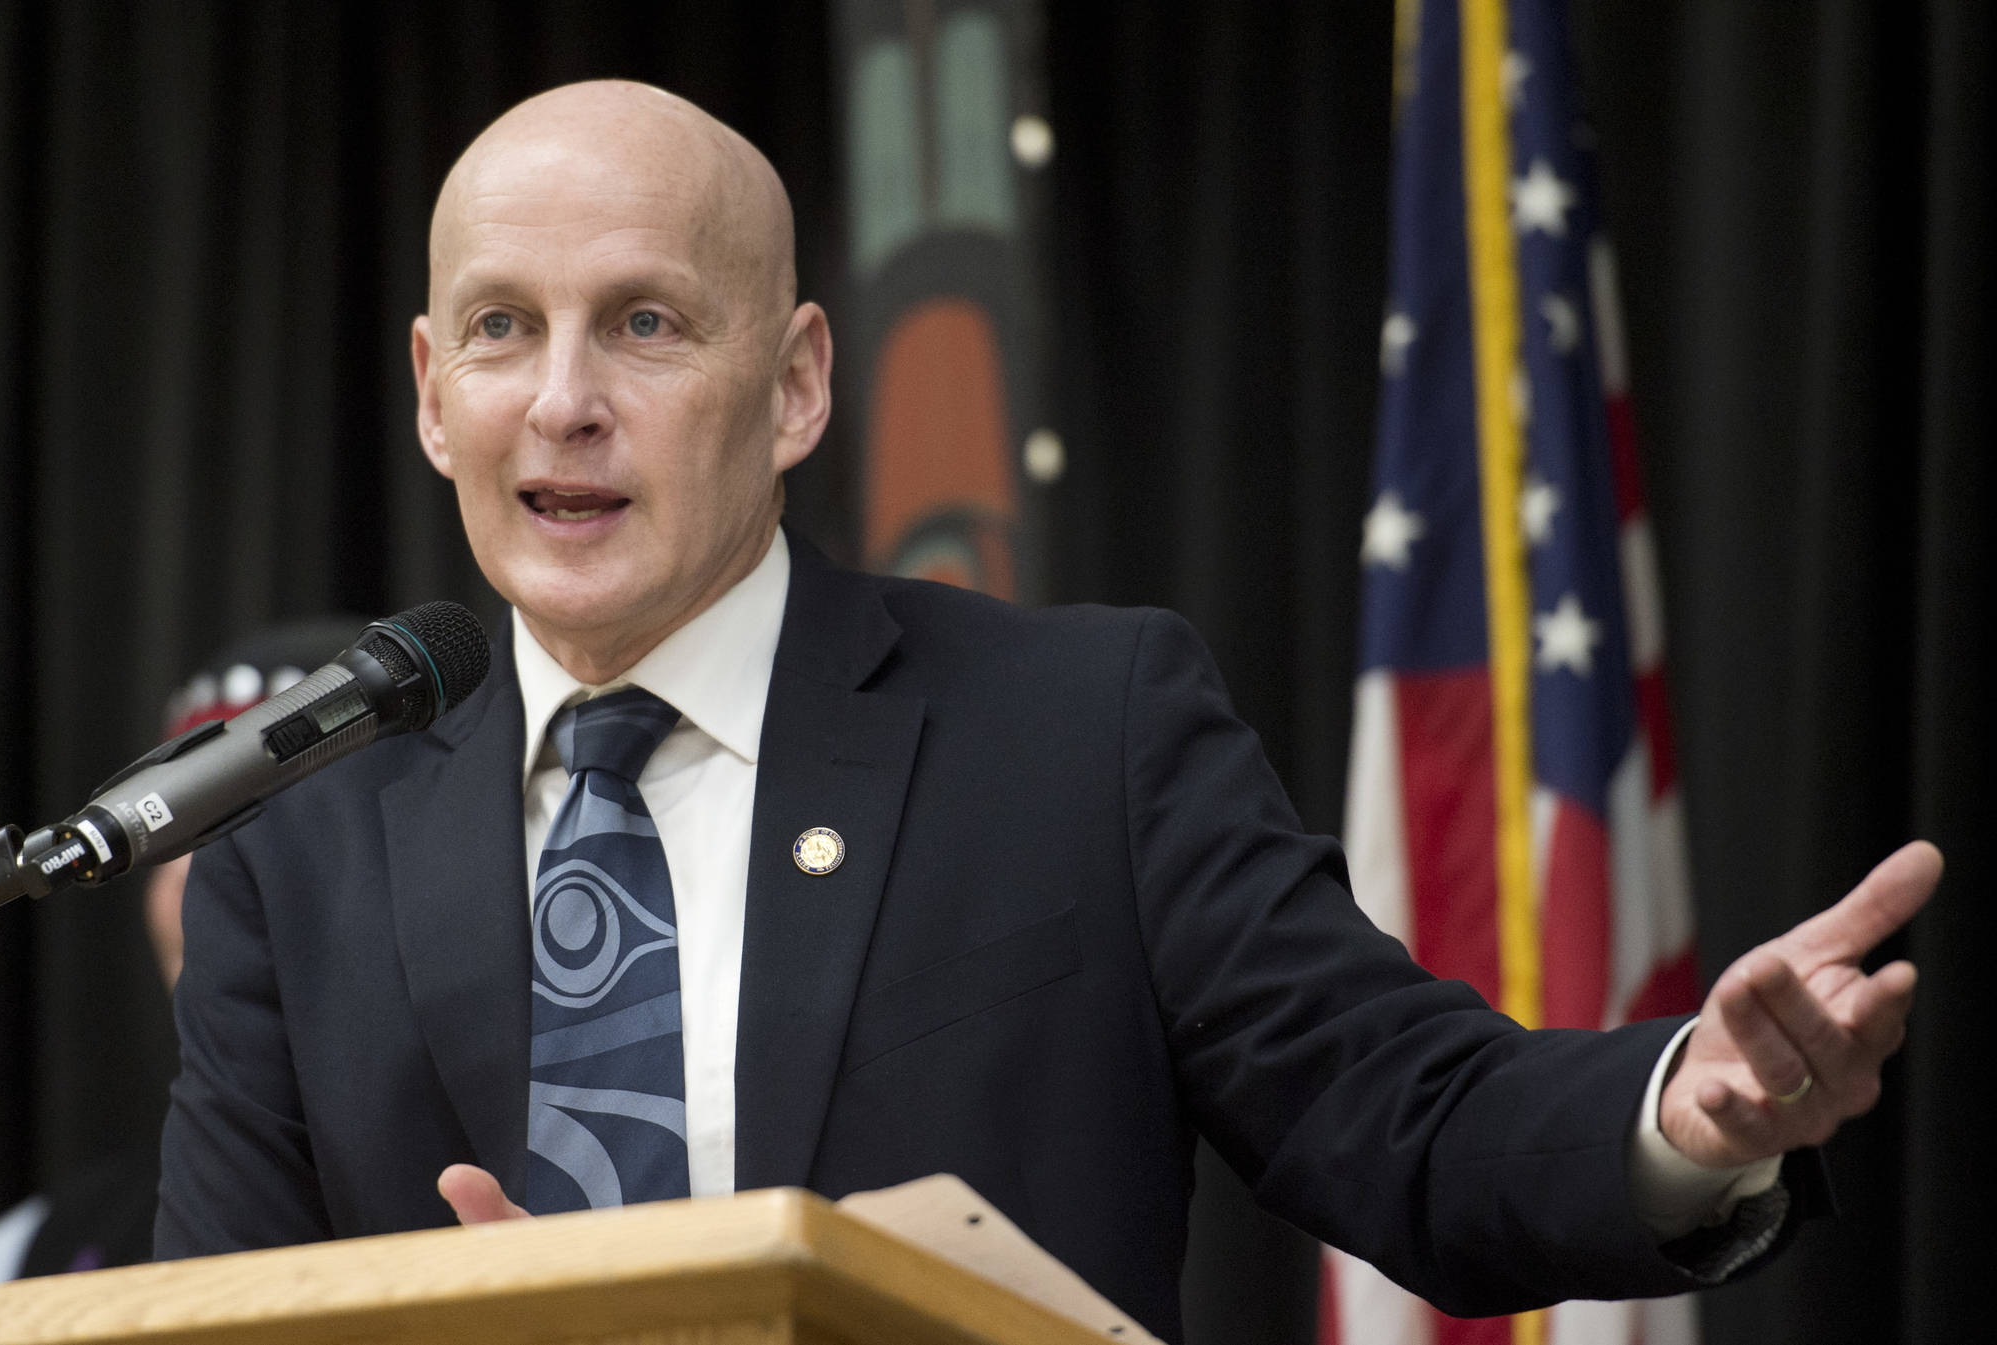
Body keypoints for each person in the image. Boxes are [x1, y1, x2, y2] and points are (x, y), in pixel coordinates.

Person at [153, 81, 1937, 1341]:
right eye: (498, 330)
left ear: (790, 388)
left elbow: (1403, 1120)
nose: (561, 403)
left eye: (641, 325)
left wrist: (1677, 1111)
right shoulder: (296, 852)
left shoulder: (1078, 733)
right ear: (426, 393)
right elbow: (212, 1325)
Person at [0, 620, 366, 1288]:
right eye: (174, 832)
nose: (196, 884)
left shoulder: (540, 1172)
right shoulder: (37, 1248)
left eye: (258, 828)